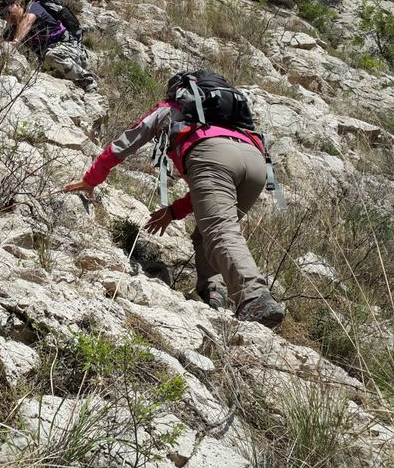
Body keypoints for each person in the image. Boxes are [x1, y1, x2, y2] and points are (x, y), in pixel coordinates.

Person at [62, 73, 285, 328]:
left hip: (212, 152)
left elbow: (128, 141)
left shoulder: (172, 108)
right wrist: (174, 211)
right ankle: (214, 293)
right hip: (256, 163)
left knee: (219, 231)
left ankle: (255, 297)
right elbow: (205, 197)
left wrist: (92, 178)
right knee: (208, 231)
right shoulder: (232, 121)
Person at [0, 0, 97, 92]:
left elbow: (27, 21)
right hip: (52, 63)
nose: (7, 18)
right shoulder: (11, 31)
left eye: (7, 13)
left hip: (72, 51)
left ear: (17, 4)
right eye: (2, 17)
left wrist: (15, 42)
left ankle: (88, 80)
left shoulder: (33, 8)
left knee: (52, 55)